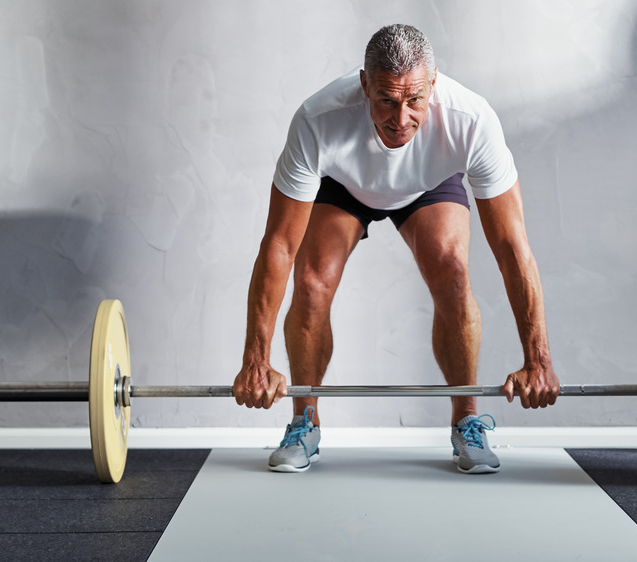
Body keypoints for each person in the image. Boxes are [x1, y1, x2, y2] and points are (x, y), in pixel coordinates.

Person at [233, 24, 559, 474]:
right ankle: (304, 420)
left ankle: (466, 420)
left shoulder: (472, 120)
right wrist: (256, 359)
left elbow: (512, 248)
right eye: (386, 99)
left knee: (454, 274)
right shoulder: (318, 120)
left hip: (428, 183)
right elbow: (279, 245)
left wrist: (537, 360)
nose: (401, 118)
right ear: (364, 83)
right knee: (311, 281)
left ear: (434, 83)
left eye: (415, 100)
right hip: (344, 185)